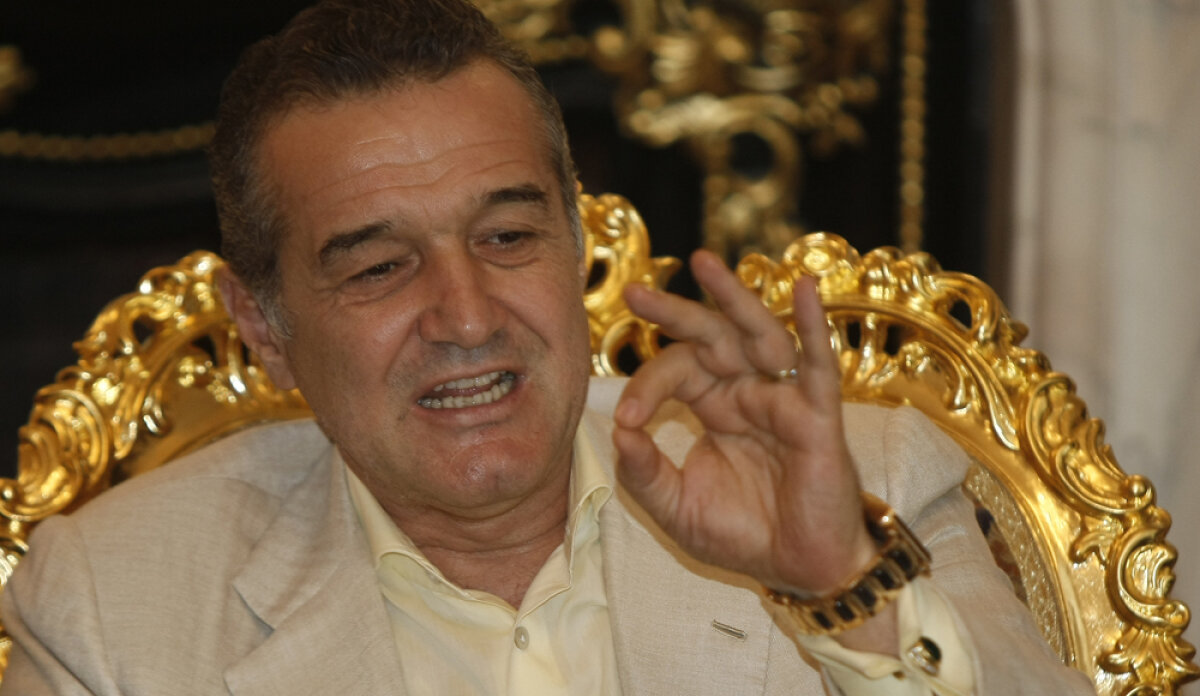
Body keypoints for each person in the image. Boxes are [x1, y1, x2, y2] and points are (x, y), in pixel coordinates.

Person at [0, 0, 1094, 693]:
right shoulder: (112, 608)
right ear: (264, 330)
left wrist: (839, 587)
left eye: (509, 237)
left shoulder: (864, 483)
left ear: (579, 246)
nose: (468, 316)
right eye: (379, 268)